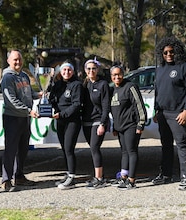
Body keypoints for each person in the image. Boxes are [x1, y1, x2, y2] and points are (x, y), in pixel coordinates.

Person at [152, 36, 186, 191]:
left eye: (172, 51)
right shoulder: (160, 68)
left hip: (178, 113)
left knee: (182, 145)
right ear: (161, 54)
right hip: (163, 114)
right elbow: (158, 91)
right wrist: (156, 110)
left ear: (178, 51)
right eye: (165, 52)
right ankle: (166, 175)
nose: (169, 54)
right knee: (166, 145)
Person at [1, 49, 42, 191]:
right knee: (10, 150)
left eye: (19, 59)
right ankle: (6, 180)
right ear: (9, 61)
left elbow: (29, 94)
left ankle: (19, 176)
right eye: (14, 60)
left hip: (24, 118)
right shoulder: (7, 78)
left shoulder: (24, 76)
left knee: (23, 150)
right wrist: (29, 111)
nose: (17, 62)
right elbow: (11, 100)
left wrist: (38, 94)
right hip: (13, 118)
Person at [110, 65, 147, 190]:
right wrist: (114, 127)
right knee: (124, 152)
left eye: (119, 74)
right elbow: (114, 111)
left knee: (131, 151)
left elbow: (139, 106)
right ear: (111, 77)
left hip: (131, 125)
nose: (117, 77)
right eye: (114, 75)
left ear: (123, 74)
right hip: (119, 127)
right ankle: (124, 177)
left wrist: (140, 123)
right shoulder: (113, 90)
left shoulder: (130, 87)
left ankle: (132, 180)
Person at [49, 62, 83, 190]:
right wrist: (47, 103)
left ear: (73, 72)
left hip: (72, 121)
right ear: (60, 72)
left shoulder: (77, 85)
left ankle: (72, 176)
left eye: (69, 70)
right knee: (64, 148)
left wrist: (62, 114)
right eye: (64, 70)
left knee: (69, 149)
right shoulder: (57, 85)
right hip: (60, 121)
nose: (66, 72)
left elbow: (76, 104)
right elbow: (52, 99)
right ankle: (68, 173)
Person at [82, 59, 110, 189]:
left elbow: (106, 106)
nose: (91, 71)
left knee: (94, 147)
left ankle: (100, 178)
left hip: (98, 120)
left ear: (97, 70)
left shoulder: (103, 84)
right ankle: (97, 176)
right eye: (88, 69)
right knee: (93, 148)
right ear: (85, 71)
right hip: (86, 121)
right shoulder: (84, 84)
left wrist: (103, 124)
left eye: (93, 68)